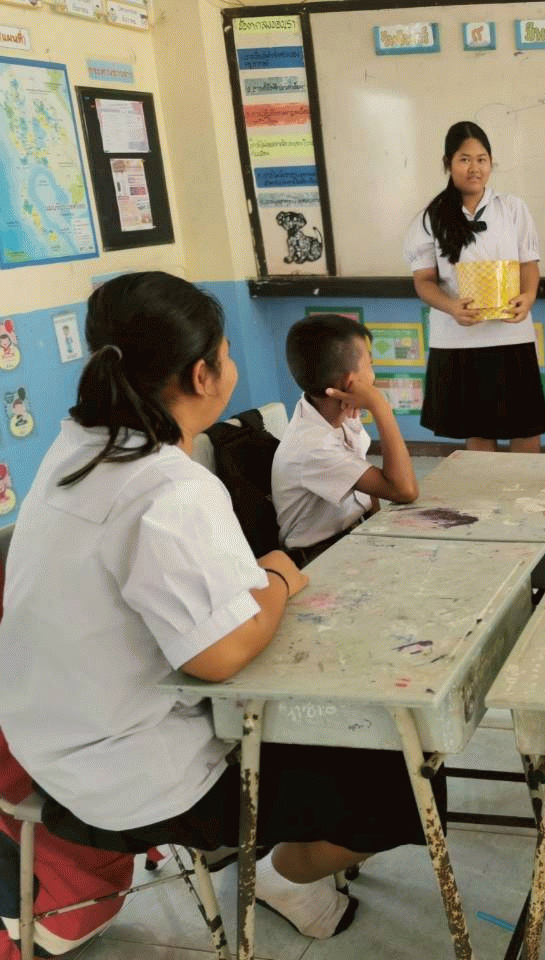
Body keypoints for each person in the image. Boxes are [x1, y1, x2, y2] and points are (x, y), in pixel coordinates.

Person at [0, 272, 438, 941]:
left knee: (331, 730)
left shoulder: (73, 452)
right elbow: (223, 654)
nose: (232, 367)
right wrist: (280, 580)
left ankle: (286, 855)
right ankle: (284, 879)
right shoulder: (167, 487)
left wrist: (261, 584)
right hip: (133, 779)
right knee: (402, 782)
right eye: (229, 354)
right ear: (203, 375)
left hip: (45, 747)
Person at [403, 121, 545, 452]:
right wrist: (452, 307)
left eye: (482, 159)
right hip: (460, 340)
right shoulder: (431, 217)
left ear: (491, 162)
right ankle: (487, 489)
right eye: (464, 159)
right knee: (479, 432)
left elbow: (529, 265)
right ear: (448, 163)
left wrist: (528, 297)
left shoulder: (512, 208)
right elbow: (424, 282)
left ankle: (525, 489)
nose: (474, 168)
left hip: (511, 336)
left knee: (526, 429)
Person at [272, 313, 418, 566]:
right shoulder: (313, 446)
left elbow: (367, 490)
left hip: (353, 535)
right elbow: (404, 490)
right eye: (370, 364)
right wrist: (380, 406)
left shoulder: (334, 411)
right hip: (319, 557)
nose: (373, 374)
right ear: (350, 382)